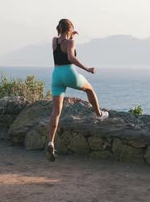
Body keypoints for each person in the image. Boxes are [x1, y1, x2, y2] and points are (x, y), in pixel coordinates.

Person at [46, 18, 109, 162]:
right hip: (69, 73)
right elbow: (70, 57)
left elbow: (62, 47)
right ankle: (99, 114)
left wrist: (70, 35)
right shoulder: (71, 42)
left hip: (56, 75)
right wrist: (88, 69)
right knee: (89, 90)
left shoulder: (54, 40)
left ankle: (51, 142)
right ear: (69, 29)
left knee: (56, 111)